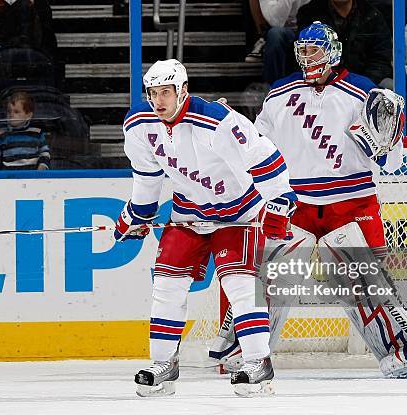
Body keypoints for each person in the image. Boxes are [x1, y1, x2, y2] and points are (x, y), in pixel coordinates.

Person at [213, 22, 407, 379]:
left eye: (314, 50)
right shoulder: (279, 94)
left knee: (363, 281)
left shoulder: (364, 93)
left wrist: (388, 144)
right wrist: (232, 128)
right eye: (303, 50)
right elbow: (257, 148)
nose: (308, 57)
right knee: (270, 277)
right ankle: (245, 351)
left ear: (332, 50)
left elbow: (392, 162)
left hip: (352, 201)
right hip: (294, 203)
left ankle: (402, 350)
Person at [116, 59, 297, 397]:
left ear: (183, 90)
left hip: (239, 214)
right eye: (153, 93)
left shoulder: (217, 121)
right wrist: (136, 215)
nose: (159, 101)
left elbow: (265, 156)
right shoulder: (140, 125)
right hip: (189, 215)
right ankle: (163, 363)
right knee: (167, 284)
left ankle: (258, 362)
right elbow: (147, 177)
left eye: (166, 92)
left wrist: (279, 201)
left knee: (240, 285)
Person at [296, 0, 393, 88]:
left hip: (364, 82)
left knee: (390, 88)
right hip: (322, 81)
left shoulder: (373, 15)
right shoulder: (309, 14)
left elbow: (381, 60)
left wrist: (360, 83)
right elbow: (303, 55)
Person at [245, 1, 309, 84]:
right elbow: (276, 22)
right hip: (281, 30)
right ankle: (273, 88)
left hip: (307, 25)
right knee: (275, 34)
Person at [0, 91, 50, 170]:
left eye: (16, 112)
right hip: (8, 178)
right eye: (9, 111)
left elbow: (44, 153)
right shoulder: (1, 134)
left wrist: (43, 166)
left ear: (28, 115)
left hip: (33, 178)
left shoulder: (37, 133)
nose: (11, 115)